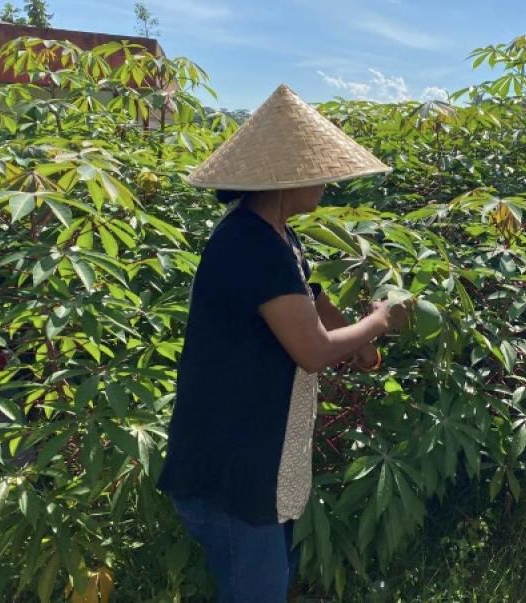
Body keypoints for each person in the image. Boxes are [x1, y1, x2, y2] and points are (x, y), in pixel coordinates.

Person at [157, 84, 408, 602]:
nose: (326, 181)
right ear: (285, 179)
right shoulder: (251, 245)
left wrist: (361, 346)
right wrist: (378, 322)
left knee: (268, 579)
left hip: (255, 457)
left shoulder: (277, 236)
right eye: (317, 171)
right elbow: (312, 350)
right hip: (234, 468)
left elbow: (310, 299)